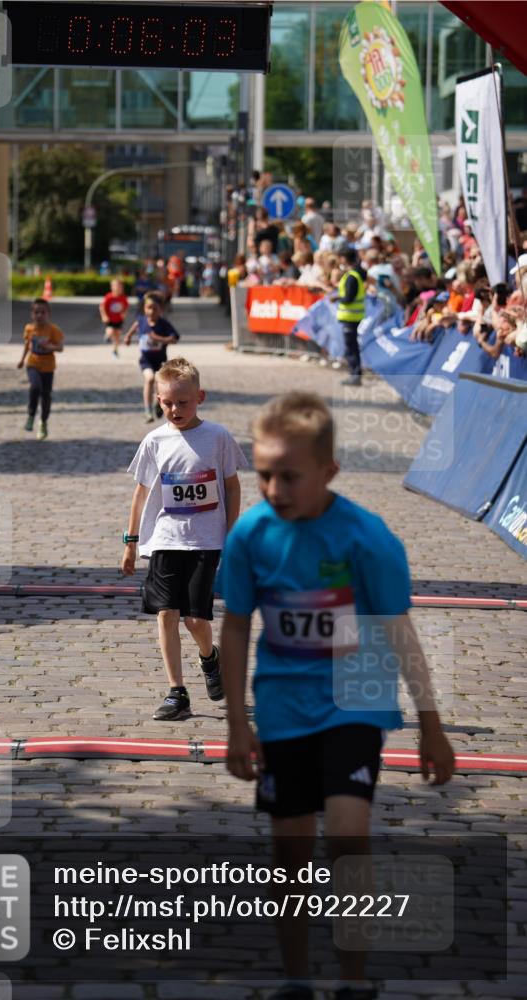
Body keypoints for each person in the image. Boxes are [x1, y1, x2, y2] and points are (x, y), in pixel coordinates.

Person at [219, 391, 455, 1000]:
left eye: (289, 476)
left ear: (328, 472)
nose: (273, 488)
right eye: (263, 472)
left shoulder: (366, 538)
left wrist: (431, 724)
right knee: (289, 852)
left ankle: (354, 981)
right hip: (282, 707)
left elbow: (398, 629)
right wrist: (237, 723)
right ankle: (296, 978)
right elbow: (238, 624)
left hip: (356, 698)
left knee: (349, 835)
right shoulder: (249, 534)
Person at [121, 357, 247, 721]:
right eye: (167, 402)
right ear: (157, 400)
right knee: (165, 614)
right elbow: (141, 493)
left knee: (195, 619)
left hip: (206, 541)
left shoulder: (218, 437)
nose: (175, 409)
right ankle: (177, 692)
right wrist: (131, 543)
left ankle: (210, 658)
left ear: (200, 397)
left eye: (183, 402)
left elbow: (232, 486)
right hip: (165, 538)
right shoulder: (154, 441)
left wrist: (233, 532)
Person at [124, 292, 180, 422]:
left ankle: (157, 403)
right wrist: (128, 336)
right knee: (150, 379)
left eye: (155, 308)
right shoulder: (142, 320)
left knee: (160, 384)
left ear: (161, 309)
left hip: (160, 361)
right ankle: (147, 410)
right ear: (144, 308)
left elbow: (175, 338)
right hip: (146, 360)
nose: (151, 311)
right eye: (149, 308)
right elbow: (136, 325)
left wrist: (158, 338)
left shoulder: (164, 324)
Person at [17, 297, 64, 440]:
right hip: (33, 363)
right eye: (36, 312)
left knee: (46, 395)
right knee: (35, 387)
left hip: (48, 366)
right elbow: (27, 345)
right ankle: (31, 414)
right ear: (32, 314)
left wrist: (50, 347)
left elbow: (60, 347)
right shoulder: (29, 329)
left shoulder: (53, 330)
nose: (39, 315)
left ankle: (43, 421)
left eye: (42, 312)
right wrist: (21, 359)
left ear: (48, 313)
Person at [334, 249, 366, 387]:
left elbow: (348, 298)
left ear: (344, 259)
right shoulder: (354, 274)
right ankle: (354, 374)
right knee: (352, 346)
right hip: (352, 316)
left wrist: (336, 297)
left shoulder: (352, 276)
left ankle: (355, 375)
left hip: (351, 317)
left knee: (351, 347)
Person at [99, 278, 129, 357]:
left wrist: (124, 313)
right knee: (111, 331)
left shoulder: (123, 297)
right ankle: (107, 335)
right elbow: (102, 307)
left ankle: (115, 350)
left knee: (118, 335)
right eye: (116, 286)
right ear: (112, 287)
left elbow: (126, 307)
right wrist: (104, 316)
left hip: (119, 319)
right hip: (110, 319)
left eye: (120, 287)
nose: (119, 288)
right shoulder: (109, 297)